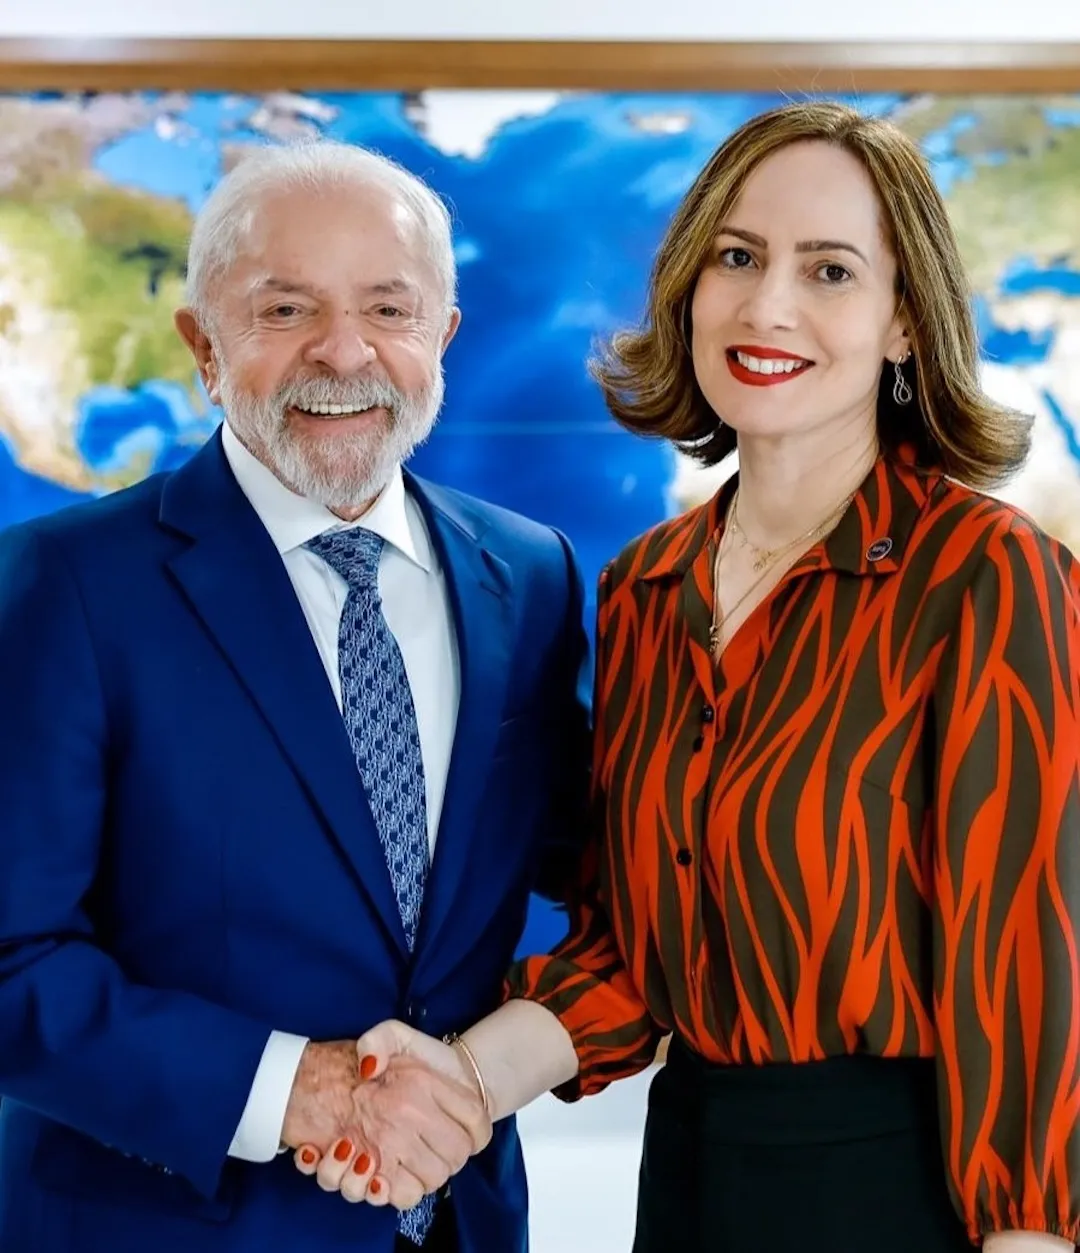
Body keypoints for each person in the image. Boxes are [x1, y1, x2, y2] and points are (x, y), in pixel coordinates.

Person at [297, 102, 1080, 1253]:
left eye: (829, 270)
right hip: (692, 1175)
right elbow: (633, 954)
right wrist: (456, 1082)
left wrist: (1031, 1233)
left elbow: (1029, 968)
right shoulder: (649, 587)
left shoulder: (987, 578)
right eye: (738, 257)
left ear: (905, 322)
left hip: (912, 1192)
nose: (768, 306)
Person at [0, 139, 591, 1253]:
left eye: (389, 309)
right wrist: (299, 1091)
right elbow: (11, 957)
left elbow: (597, 873)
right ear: (203, 347)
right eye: (285, 310)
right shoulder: (64, 585)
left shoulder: (531, 574)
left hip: (457, 1223)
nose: (345, 350)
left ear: (443, 337)